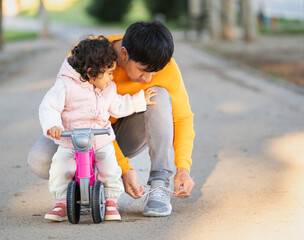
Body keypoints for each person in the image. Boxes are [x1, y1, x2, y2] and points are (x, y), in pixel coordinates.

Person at [28, 20, 195, 217]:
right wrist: (123, 168)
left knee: (159, 94)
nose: (148, 78)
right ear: (124, 54)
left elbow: (182, 118)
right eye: (142, 70)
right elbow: (76, 113)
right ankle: (86, 179)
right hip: (82, 132)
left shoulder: (161, 63)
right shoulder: (86, 56)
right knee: (39, 160)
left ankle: (159, 183)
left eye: (154, 72)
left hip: (125, 133)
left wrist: (183, 167)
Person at [39, 36, 157, 221]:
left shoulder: (108, 88)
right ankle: (61, 203)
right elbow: (49, 106)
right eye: (109, 72)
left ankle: (110, 200)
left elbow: (118, 105)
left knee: (110, 167)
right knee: (60, 167)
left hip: (101, 139)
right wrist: (53, 125)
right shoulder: (66, 85)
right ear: (91, 72)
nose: (112, 76)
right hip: (72, 140)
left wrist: (139, 101)